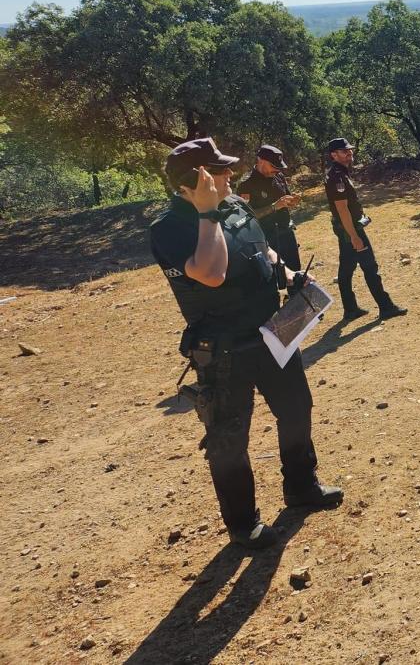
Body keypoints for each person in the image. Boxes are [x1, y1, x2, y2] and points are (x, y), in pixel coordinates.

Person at [149, 138, 342, 550]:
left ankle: (301, 487)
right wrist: (206, 211)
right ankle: (244, 524)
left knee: (296, 409)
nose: (229, 175)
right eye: (219, 171)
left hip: (271, 332)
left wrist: (288, 273)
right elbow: (212, 273)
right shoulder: (170, 227)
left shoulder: (234, 204)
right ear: (194, 181)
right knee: (229, 438)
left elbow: (261, 247)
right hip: (222, 351)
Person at [324, 137, 406, 321]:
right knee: (369, 266)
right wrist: (354, 235)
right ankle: (385, 307)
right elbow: (342, 208)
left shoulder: (340, 173)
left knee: (347, 267)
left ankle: (350, 308)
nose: (349, 153)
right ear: (334, 155)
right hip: (350, 229)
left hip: (346, 228)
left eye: (350, 150)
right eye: (344, 151)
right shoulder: (337, 176)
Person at [237, 144, 302, 270]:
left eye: (279, 167)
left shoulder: (279, 177)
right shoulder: (246, 185)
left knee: (296, 274)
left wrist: (292, 201)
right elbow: (246, 217)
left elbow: (285, 199)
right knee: (274, 277)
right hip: (266, 239)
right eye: (273, 166)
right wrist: (273, 207)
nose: (277, 170)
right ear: (260, 160)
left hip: (287, 233)